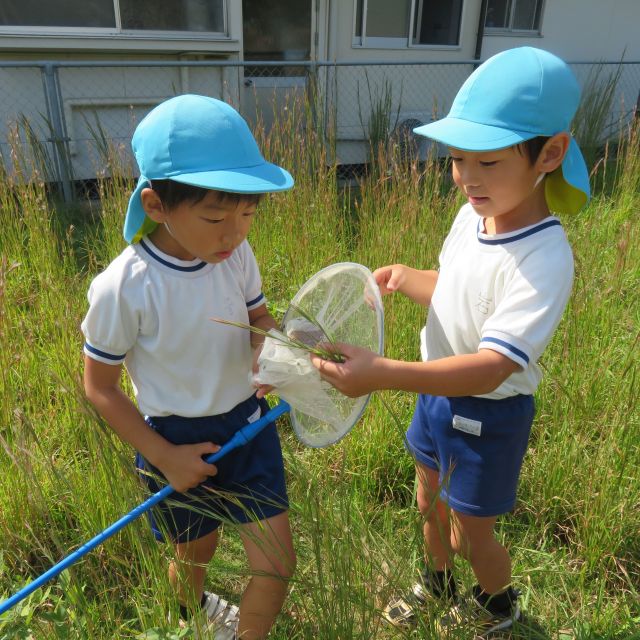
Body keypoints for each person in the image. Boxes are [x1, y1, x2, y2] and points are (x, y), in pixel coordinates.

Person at [312, 47, 590, 636]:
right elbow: (463, 288)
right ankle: (436, 582)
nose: (465, 177)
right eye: (457, 159)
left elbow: (491, 367)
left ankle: (500, 605)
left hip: (489, 414)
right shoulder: (475, 214)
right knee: (427, 499)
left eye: (486, 161)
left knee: (471, 530)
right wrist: (409, 279)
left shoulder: (544, 258)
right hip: (435, 395)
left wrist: (384, 372)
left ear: (550, 153)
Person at [82, 94, 296, 640]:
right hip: (172, 438)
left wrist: (279, 352)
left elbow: (259, 320)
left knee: (276, 563)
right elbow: (99, 387)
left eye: (248, 213)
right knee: (194, 553)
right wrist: (163, 456)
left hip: (249, 425)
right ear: (156, 206)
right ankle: (190, 614)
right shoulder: (123, 288)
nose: (235, 233)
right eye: (216, 216)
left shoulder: (236, 256)